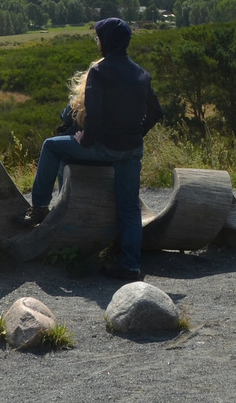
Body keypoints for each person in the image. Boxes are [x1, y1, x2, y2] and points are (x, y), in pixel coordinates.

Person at [23, 17, 163, 281]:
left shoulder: (100, 72)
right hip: (132, 151)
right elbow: (156, 112)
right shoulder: (141, 74)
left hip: (105, 148)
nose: (97, 42)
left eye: (98, 37)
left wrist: (84, 139)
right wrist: (137, 133)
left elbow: (95, 115)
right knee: (130, 207)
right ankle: (131, 266)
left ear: (107, 41)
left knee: (51, 146)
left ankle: (40, 207)